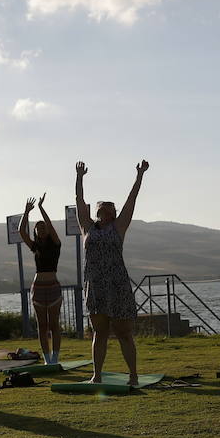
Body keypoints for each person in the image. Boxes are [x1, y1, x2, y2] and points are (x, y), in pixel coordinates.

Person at [75, 160, 147, 385]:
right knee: (100, 332)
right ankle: (97, 375)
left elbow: (131, 200)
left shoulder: (119, 227)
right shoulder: (87, 228)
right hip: (95, 286)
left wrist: (139, 175)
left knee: (124, 333)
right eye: (101, 208)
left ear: (114, 213)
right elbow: (79, 201)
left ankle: (133, 375)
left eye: (109, 208)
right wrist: (79, 177)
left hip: (117, 285)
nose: (104, 211)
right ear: (96, 212)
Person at [19, 194, 63, 365]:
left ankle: (55, 357)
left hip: (53, 286)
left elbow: (51, 226)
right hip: (38, 287)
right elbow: (21, 232)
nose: (41, 229)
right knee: (42, 325)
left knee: (54, 324)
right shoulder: (35, 246)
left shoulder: (56, 244)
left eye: (43, 227)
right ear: (36, 232)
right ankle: (47, 359)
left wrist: (41, 208)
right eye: (38, 228)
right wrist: (26, 212)